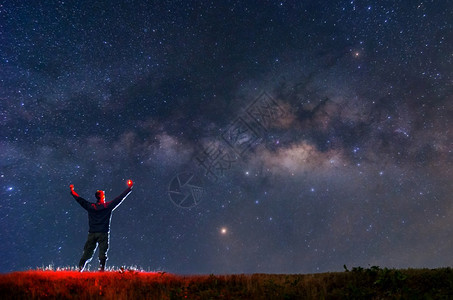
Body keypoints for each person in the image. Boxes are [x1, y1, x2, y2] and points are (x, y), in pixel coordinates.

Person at [69, 179, 134, 272]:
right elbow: (119, 199)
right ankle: (101, 270)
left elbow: (80, 200)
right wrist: (129, 189)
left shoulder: (90, 206)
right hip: (103, 233)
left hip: (92, 232)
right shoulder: (107, 207)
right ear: (102, 197)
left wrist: (72, 191)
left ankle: (80, 269)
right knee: (103, 252)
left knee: (87, 252)